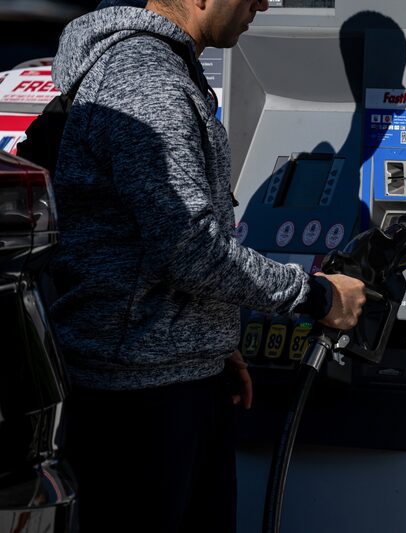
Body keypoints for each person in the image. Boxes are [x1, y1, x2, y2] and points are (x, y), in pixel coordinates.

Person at [48, 0, 366, 531]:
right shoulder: (148, 80)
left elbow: (156, 242)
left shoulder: (166, 69)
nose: (263, 4)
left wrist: (215, 338)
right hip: (143, 401)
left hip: (173, 379)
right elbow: (190, 249)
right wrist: (317, 297)